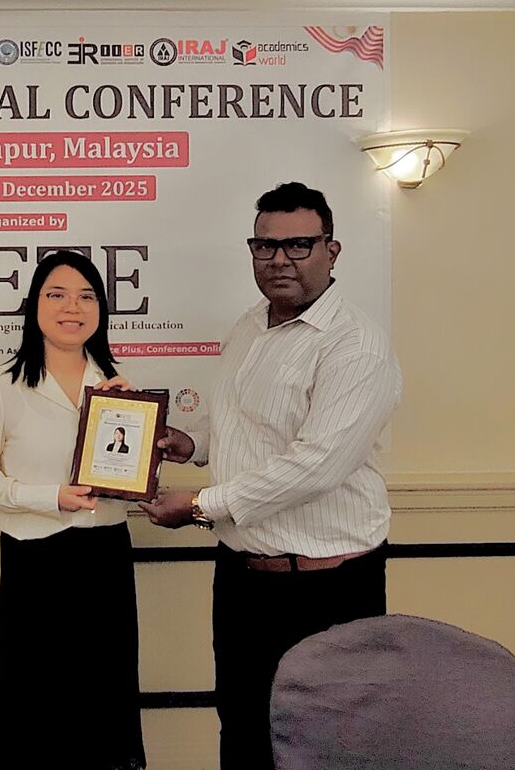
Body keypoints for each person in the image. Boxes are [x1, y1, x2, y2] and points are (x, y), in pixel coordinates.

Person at [140, 182, 402, 770]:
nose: (280, 259)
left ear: (332, 251)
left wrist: (201, 506)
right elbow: (246, 426)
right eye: (265, 246)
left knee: (328, 748)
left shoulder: (355, 345)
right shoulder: (250, 325)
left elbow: (315, 466)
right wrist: (191, 444)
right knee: (244, 734)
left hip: (326, 587)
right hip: (242, 580)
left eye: (298, 245)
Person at [0, 250, 147, 770]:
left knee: (106, 701)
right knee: (36, 706)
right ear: (34, 305)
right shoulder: (2, 384)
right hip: (36, 561)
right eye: (57, 294)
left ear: (101, 309)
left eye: (87, 296)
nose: (73, 307)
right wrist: (51, 498)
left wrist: (136, 425)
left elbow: (130, 477)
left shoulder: (116, 384)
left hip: (105, 555)